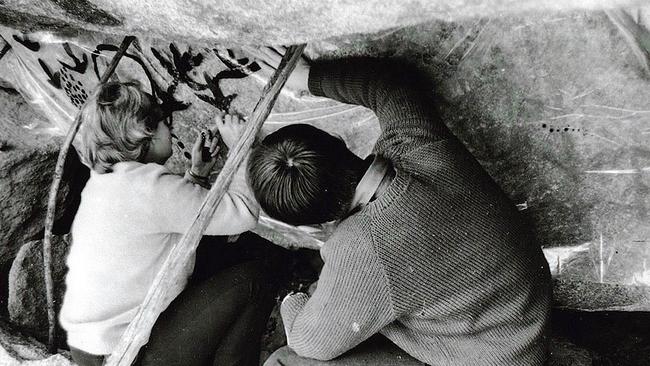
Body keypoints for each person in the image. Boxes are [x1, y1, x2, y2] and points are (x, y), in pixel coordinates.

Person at [249, 49, 553, 365]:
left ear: (312, 227)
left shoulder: (361, 249)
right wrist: (307, 77)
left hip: (499, 356)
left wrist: (294, 300)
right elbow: (387, 84)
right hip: (524, 311)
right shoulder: (412, 138)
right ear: (339, 141)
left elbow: (308, 342)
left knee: (285, 360)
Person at [59, 80, 285, 366]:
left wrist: (196, 176)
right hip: (128, 356)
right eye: (164, 121)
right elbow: (242, 213)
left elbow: (163, 222)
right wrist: (244, 147)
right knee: (252, 280)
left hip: (92, 350)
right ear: (145, 135)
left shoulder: (105, 181)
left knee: (213, 252)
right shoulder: (150, 189)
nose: (172, 127)